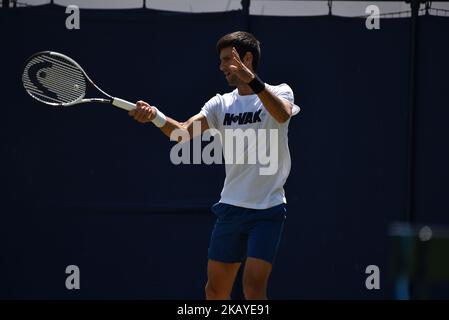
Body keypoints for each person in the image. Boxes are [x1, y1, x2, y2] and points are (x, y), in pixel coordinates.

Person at [129, 31, 299, 300]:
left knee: (254, 287)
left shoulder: (279, 92)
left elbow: (282, 114)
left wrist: (251, 81)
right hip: (231, 208)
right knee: (216, 290)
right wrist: (155, 117)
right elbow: (181, 133)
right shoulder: (220, 104)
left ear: (247, 59)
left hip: (268, 208)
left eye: (226, 60)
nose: (220, 67)